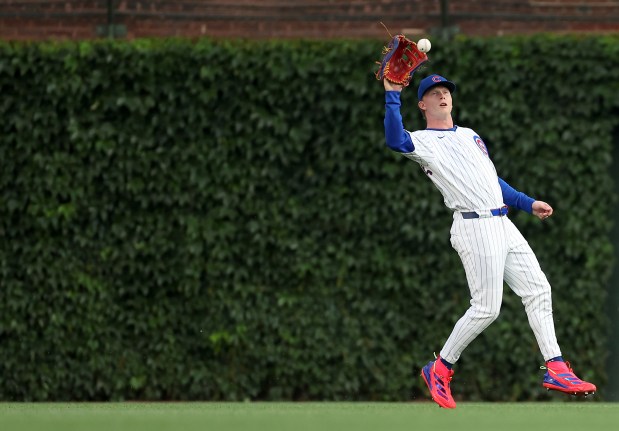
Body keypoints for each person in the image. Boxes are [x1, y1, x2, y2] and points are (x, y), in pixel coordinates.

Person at [382, 74, 596, 409]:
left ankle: (555, 366)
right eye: (434, 93)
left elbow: (490, 179)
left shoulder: (469, 135)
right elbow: (396, 140)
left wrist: (526, 203)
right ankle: (440, 367)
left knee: (539, 289)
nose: (442, 97)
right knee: (486, 308)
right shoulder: (422, 140)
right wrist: (392, 95)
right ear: (422, 104)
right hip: (473, 225)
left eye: (446, 92)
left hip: (502, 222)